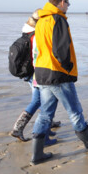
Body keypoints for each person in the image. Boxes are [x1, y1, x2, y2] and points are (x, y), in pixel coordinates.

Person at [31, 0, 88, 165]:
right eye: (68, 3)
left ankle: (37, 154)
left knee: (45, 114)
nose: (68, 7)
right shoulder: (57, 19)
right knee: (74, 109)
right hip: (57, 72)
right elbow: (60, 49)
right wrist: (68, 66)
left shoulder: (41, 20)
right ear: (62, 2)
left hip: (42, 72)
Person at [10, 9, 58, 145]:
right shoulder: (36, 35)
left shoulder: (26, 32)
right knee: (39, 101)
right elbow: (38, 56)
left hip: (29, 73)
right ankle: (20, 129)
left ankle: (46, 129)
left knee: (42, 100)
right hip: (37, 73)